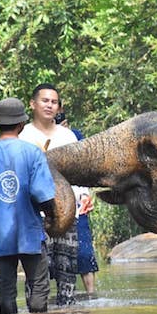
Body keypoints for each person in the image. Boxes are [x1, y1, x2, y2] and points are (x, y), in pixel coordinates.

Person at [0, 97, 57, 314]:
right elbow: (41, 193)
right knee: (38, 287)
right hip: (30, 233)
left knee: (6, 290)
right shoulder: (33, 153)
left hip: (0, 234)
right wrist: (52, 216)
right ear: (21, 125)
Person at [18, 83, 94, 305]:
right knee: (37, 270)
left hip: (67, 211)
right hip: (34, 215)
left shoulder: (68, 136)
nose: (50, 105)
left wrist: (83, 196)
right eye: (45, 101)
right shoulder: (23, 136)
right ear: (33, 104)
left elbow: (79, 171)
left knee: (67, 269)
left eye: (54, 102)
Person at [57, 109, 99, 296]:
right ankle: (64, 294)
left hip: (76, 200)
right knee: (56, 254)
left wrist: (85, 194)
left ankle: (91, 294)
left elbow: (86, 169)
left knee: (83, 251)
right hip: (51, 205)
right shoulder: (36, 137)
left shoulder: (75, 137)